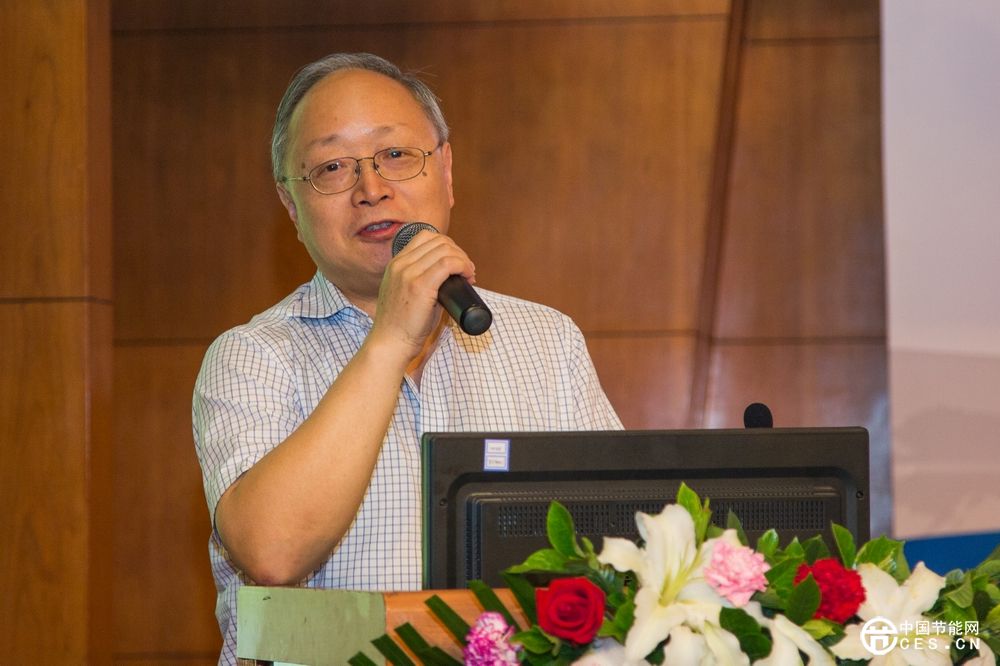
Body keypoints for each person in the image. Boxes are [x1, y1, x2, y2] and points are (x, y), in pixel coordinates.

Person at [192, 52, 621, 664]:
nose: (372, 190)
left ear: (445, 170)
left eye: (395, 155)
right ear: (291, 207)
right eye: (332, 167)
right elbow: (273, 553)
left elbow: (614, 554)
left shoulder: (546, 341)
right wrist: (390, 339)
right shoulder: (254, 356)